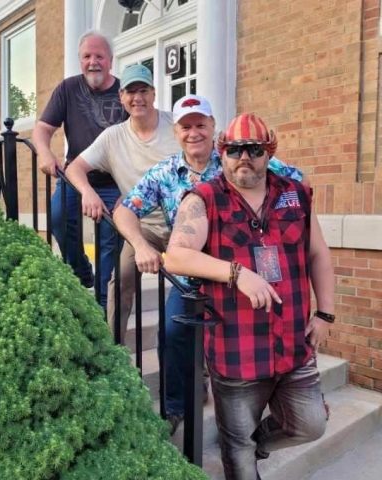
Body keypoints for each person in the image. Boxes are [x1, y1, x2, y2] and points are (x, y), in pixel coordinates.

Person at [113, 96, 306, 436]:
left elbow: (295, 180)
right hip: (195, 277)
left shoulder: (237, 156)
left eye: (201, 124)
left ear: (213, 128)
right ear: (176, 131)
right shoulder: (165, 173)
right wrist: (141, 244)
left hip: (243, 275)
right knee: (173, 332)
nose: (193, 133)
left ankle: (263, 415)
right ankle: (175, 406)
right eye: (186, 126)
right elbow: (125, 209)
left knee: (256, 338)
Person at [164, 113, 335, 479]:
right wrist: (237, 274)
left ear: (268, 153)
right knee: (238, 455)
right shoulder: (204, 198)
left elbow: (318, 253)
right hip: (235, 350)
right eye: (236, 149)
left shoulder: (296, 194)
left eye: (254, 149)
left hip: (292, 343)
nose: (245, 156)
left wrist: (326, 314)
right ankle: (243, 446)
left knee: (311, 424)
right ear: (222, 152)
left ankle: (258, 441)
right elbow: (176, 255)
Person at [64, 63, 179, 330]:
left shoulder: (177, 125)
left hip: (182, 223)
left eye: (143, 90)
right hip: (141, 227)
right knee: (121, 280)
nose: (137, 97)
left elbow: (215, 146)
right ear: (121, 97)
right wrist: (88, 192)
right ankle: (113, 353)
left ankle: (200, 360)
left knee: (190, 288)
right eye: (130, 91)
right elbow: (74, 168)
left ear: (153, 93)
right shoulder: (112, 137)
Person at [32, 30, 127, 310]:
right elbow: (43, 129)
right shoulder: (68, 88)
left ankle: (100, 307)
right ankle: (80, 270)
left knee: (111, 240)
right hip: (76, 176)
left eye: (99, 56)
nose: (93, 62)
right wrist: (45, 153)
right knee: (58, 217)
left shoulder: (125, 93)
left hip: (114, 182)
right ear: (80, 60)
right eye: (87, 56)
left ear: (110, 60)